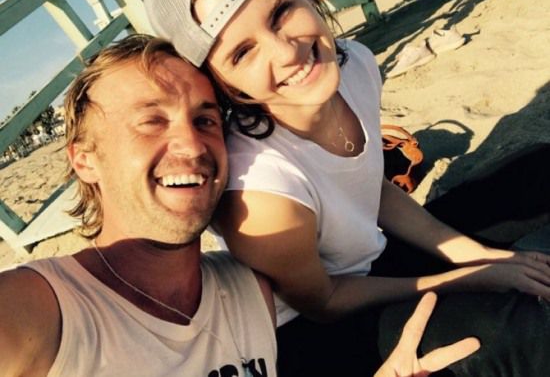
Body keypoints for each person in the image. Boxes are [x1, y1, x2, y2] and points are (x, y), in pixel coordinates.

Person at [143, 0, 550, 377]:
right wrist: (467, 277)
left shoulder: (354, 63)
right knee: (517, 335)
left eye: (280, 12)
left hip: (375, 257)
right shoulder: (258, 187)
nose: (286, 53)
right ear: (222, 82)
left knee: (537, 169)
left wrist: (475, 255)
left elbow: (371, 190)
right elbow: (323, 302)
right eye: (243, 53)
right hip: (325, 329)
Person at [0, 34, 478, 377]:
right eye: (151, 121)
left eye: (205, 120)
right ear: (85, 160)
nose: (192, 144)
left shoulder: (249, 291)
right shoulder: (43, 311)